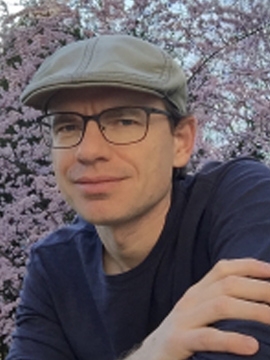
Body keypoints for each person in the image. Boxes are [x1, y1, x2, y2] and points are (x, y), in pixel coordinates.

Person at [6, 34, 270, 360]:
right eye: (67, 126)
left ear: (181, 142)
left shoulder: (242, 200)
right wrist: (152, 352)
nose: (88, 151)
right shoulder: (54, 265)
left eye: (125, 121)